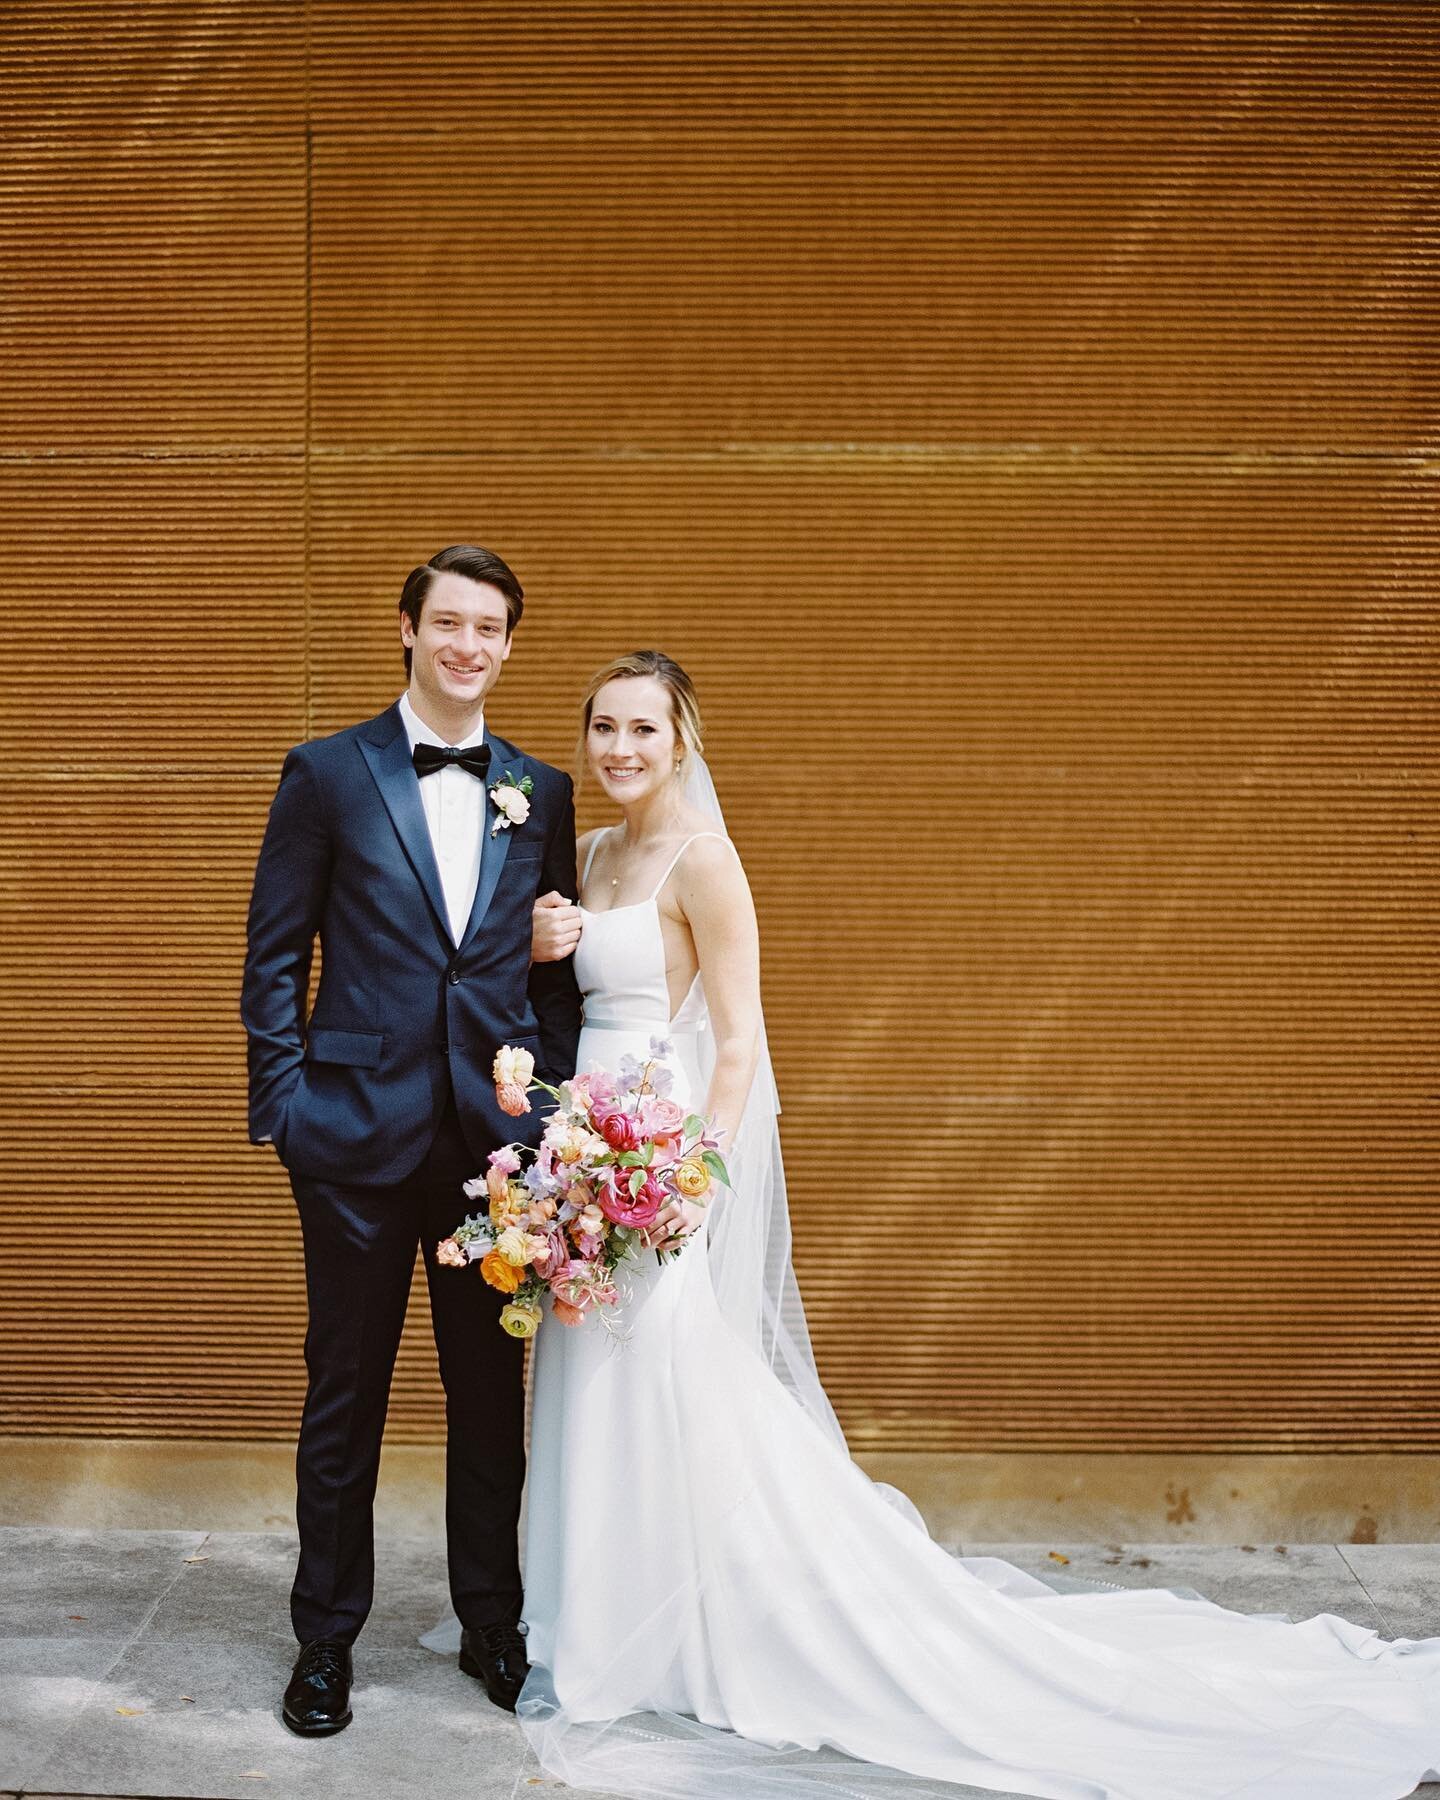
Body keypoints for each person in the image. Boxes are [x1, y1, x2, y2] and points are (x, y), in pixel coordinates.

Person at [449, 647, 1440, 1800]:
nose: (620, 749)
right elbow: (567, 1007)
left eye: (645, 731)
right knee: (590, 1391)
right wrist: (542, 976)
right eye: (604, 728)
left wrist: (686, 1185)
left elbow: (743, 1044)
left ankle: (694, 1630)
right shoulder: (594, 853)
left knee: (663, 1387)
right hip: (583, 1155)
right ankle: (597, 1623)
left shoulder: (706, 861)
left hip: (657, 1164)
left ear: (685, 742)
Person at [240, 544, 582, 1736]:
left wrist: (543, 1116)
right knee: (346, 1393)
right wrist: (284, 1108)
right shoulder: (328, 773)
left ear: (507, 646)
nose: (467, 645)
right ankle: (324, 1641)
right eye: (448, 622)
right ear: (406, 628)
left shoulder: (537, 790)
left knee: (491, 1395)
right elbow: (274, 955)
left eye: (490, 629)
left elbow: (553, 980)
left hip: (487, 1153)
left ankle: (493, 1621)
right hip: (346, 1137)